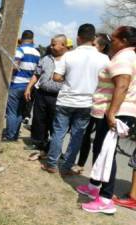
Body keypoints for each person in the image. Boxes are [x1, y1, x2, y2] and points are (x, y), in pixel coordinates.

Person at [77, 26, 136, 214]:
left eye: (114, 38)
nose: (111, 41)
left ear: (125, 41)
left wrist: (111, 113)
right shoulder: (127, 55)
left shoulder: (124, 57)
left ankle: (105, 199)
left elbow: (123, 85)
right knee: (100, 149)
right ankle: (94, 187)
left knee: (107, 154)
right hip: (113, 110)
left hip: (115, 111)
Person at [41, 24, 110, 174]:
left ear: (78, 38)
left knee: (58, 132)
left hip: (66, 100)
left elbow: (56, 77)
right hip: (87, 103)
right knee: (77, 135)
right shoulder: (104, 59)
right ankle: (66, 167)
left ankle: (51, 164)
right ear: (93, 39)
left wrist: (69, 77)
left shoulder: (69, 55)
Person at [72, 33, 112, 174]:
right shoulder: (87, 58)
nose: (92, 47)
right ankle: (80, 163)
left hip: (102, 105)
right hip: (88, 102)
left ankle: (96, 172)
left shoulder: (107, 61)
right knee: (84, 134)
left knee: (98, 141)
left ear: (102, 46)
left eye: (94, 45)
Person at [24, 34, 68, 160]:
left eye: (54, 44)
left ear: (63, 45)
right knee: (39, 121)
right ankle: (40, 147)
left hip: (59, 97)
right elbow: (36, 75)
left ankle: (55, 150)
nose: (51, 46)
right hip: (42, 94)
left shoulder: (69, 60)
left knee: (56, 124)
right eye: (51, 44)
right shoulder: (45, 59)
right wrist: (29, 88)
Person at [3, 30, 40, 141]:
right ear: (32, 39)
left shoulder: (20, 50)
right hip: (29, 86)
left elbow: (15, 66)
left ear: (22, 39)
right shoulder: (37, 53)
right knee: (20, 112)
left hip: (16, 84)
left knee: (11, 112)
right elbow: (38, 71)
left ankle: (10, 136)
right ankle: (14, 136)